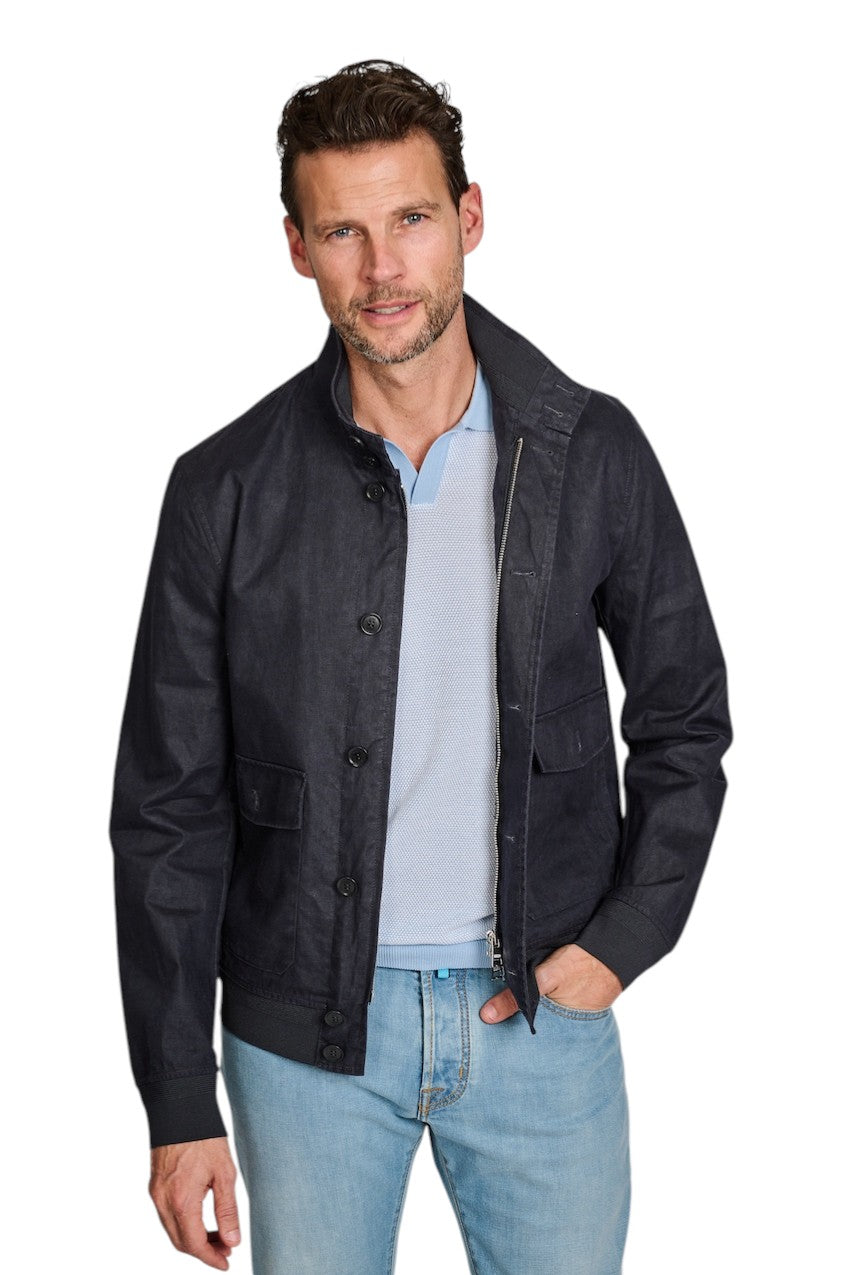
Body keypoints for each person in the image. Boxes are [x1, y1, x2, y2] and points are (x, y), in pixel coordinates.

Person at [110, 58, 732, 1275]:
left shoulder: (587, 449)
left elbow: (684, 718)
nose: (382, 268)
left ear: (469, 218)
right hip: (302, 1048)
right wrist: (179, 1100)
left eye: (409, 219)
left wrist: (625, 937)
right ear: (297, 248)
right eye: (343, 231)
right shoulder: (223, 490)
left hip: (542, 1017)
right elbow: (168, 809)